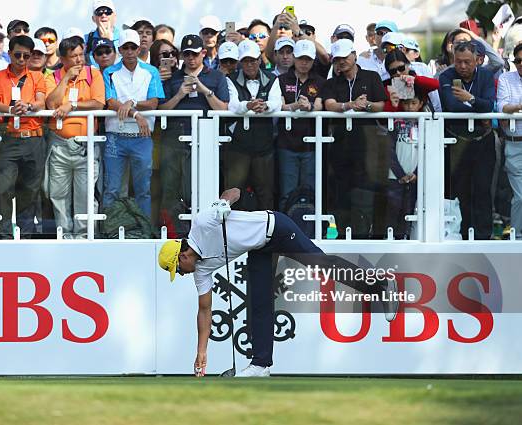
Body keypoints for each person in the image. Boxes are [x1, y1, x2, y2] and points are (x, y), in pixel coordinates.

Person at [157, 187, 399, 377]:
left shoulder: (203, 223)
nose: (181, 275)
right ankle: (261, 364)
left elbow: (235, 192)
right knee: (259, 301)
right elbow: (205, 309)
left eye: (178, 270)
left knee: (322, 265)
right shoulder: (200, 270)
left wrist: (223, 203)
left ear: (183, 255)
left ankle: (380, 285)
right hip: (259, 248)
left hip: (277, 228)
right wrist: (201, 352)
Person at [158, 34, 229, 237]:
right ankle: (173, 234)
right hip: (174, 138)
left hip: (205, 141)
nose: (191, 58)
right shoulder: (172, 77)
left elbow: (223, 109)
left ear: (203, 54)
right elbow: (161, 108)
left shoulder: (216, 77)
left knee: (200, 190)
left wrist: (204, 89)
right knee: (170, 188)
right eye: (187, 54)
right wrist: (180, 93)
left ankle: (203, 234)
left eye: (195, 54)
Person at [323, 39, 387, 238]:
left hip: (367, 143)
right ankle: (339, 235)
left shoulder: (371, 76)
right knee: (339, 191)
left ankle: (363, 233)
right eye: (338, 59)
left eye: (345, 57)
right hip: (339, 144)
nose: (341, 62)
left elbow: (382, 105)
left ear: (354, 56)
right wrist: (350, 105)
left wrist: (366, 105)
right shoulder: (332, 82)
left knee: (364, 189)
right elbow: (330, 105)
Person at [44, 35, 105, 239]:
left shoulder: (93, 74)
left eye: (81, 55)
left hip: (86, 145)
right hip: (59, 145)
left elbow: (98, 103)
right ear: (62, 58)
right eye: (74, 56)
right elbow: (51, 104)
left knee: (86, 194)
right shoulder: (51, 77)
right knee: (58, 194)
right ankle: (64, 236)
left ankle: (85, 236)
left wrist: (73, 105)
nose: (79, 60)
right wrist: (65, 79)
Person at [0, 35, 47, 238]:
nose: (22, 59)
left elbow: (41, 101)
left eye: (26, 56)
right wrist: (12, 109)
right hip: (8, 137)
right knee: (3, 189)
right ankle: (3, 236)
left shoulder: (37, 76)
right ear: (10, 53)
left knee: (30, 192)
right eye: (18, 55)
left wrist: (29, 106)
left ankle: (26, 238)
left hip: (34, 138)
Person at [102, 29, 164, 217]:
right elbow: (111, 102)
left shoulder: (151, 71)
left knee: (142, 189)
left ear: (139, 49)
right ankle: (109, 232)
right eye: (125, 47)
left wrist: (132, 103)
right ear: (119, 49)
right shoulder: (110, 72)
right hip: (115, 136)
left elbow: (154, 102)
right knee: (112, 188)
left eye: (133, 47)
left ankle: (144, 231)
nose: (129, 51)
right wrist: (136, 113)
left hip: (142, 137)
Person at [439, 40, 496, 240]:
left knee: (482, 189)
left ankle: (483, 236)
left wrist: (470, 98)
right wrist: (478, 108)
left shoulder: (487, 75)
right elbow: (451, 105)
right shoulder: (446, 75)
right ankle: (461, 235)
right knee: (458, 189)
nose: (462, 66)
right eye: (458, 61)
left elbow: (490, 105)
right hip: (457, 141)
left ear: (477, 60)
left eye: (467, 62)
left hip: (483, 141)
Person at [224, 40, 282, 211]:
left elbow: (276, 103)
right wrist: (248, 106)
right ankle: (230, 232)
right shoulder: (231, 79)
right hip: (237, 144)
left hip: (264, 144)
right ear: (240, 62)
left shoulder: (272, 78)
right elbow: (233, 105)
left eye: (253, 60)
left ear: (259, 60)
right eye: (245, 61)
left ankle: (267, 232)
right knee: (233, 190)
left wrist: (266, 106)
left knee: (265, 192)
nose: (249, 64)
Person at [278, 40, 325, 211]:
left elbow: (320, 105)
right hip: (286, 144)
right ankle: (283, 231)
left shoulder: (319, 81)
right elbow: (280, 105)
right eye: (301, 58)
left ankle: (310, 231)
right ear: (294, 58)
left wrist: (309, 107)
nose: (304, 63)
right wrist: (296, 106)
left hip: (311, 144)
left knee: (310, 191)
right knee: (287, 192)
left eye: (308, 59)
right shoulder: (281, 80)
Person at [386, 86, 424, 239]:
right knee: (392, 209)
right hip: (395, 177)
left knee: (409, 210)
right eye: (406, 103)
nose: (409, 107)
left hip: (415, 177)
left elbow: (426, 152)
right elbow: (389, 150)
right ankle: (390, 239)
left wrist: (416, 174)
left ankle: (405, 239)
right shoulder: (394, 124)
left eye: (413, 103)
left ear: (420, 104)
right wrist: (400, 174)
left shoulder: (424, 125)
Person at [497, 42, 522, 239]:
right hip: (515, 142)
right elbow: (502, 107)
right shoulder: (506, 78)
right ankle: (517, 236)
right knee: (521, 196)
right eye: (518, 61)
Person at [85, 0, 119, 67]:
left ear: (115, 16)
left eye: (108, 12)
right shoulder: (86, 39)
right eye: (99, 12)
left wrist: (108, 42)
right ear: (93, 18)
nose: (103, 15)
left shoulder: (124, 37)